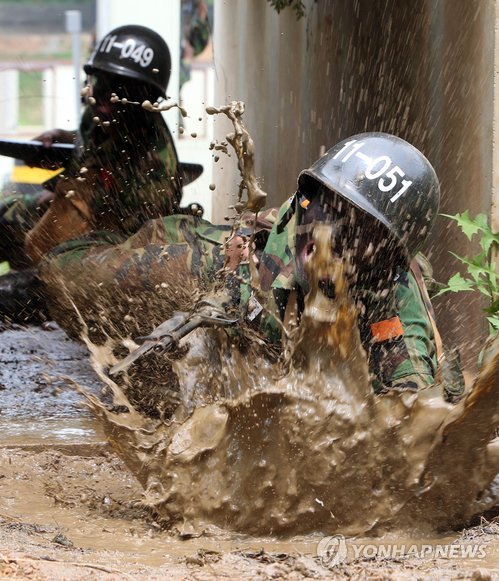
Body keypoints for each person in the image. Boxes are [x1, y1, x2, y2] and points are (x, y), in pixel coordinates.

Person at [34, 131, 463, 401]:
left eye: (356, 231)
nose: (325, 235)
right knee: (63, 276)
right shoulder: (231, 265)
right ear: (306, 199)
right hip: (206, 249)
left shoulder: (392, 306)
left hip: (256, 299)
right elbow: (59, 275)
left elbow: (415, 423)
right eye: (325, 207)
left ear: (386, 259)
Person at [0, 24, 182, 270]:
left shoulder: (152, 167)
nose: (102, 101)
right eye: (101, 85)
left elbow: (124, 241)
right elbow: (93, 146)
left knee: (25, 285)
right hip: (71, 215)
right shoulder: (103, 114)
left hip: (111, 252)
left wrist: (69, 200)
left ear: (143, 100)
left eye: (118, 92)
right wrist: (65, 139)